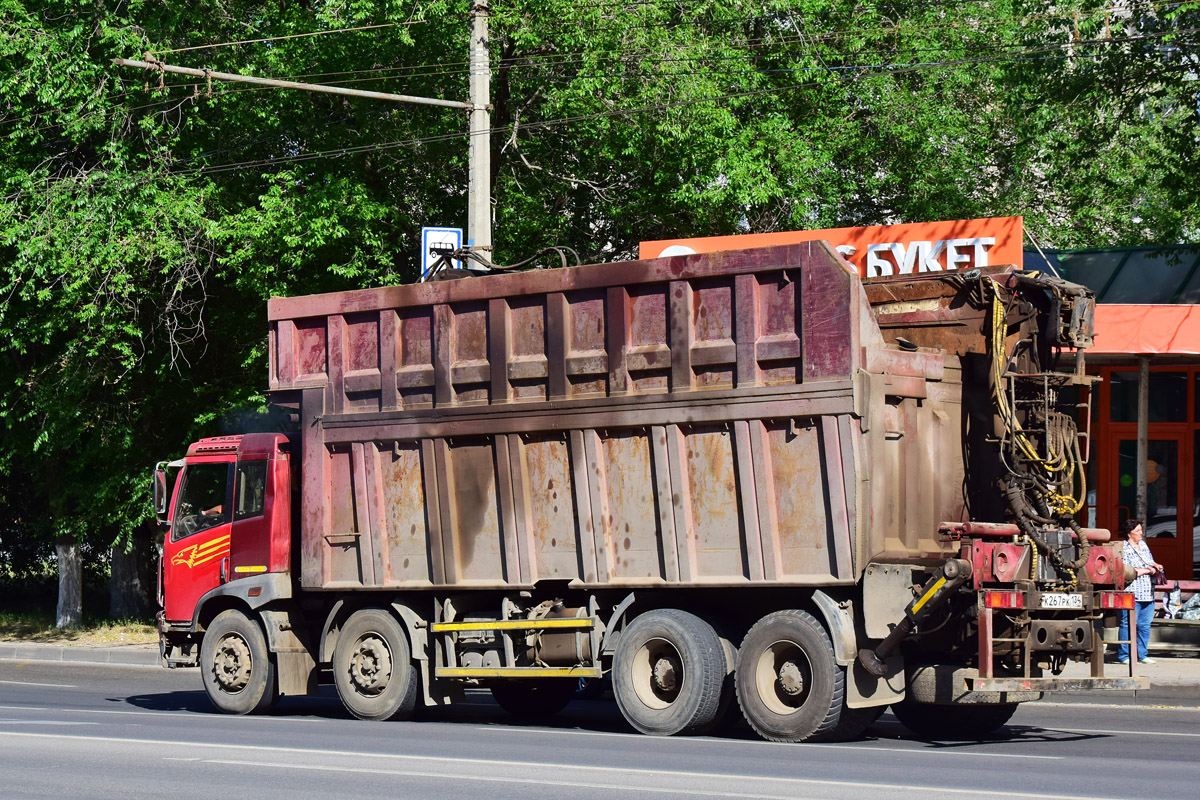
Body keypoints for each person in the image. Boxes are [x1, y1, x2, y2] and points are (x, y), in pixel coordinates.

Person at [1117, 518, 1164, 665]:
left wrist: (1156, 566)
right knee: (1127, 624)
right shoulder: (1123, 547)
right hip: (1132, 592)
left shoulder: (1143, 545)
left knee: (1144, 625)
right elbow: (1126, 570)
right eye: (1137, 531)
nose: (1140, 533)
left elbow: (1149, 561)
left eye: (1141, 530)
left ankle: (1142, 654)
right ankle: (1124, 655)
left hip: (1147, 592)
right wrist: (1147, 570)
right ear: (1129, 533)